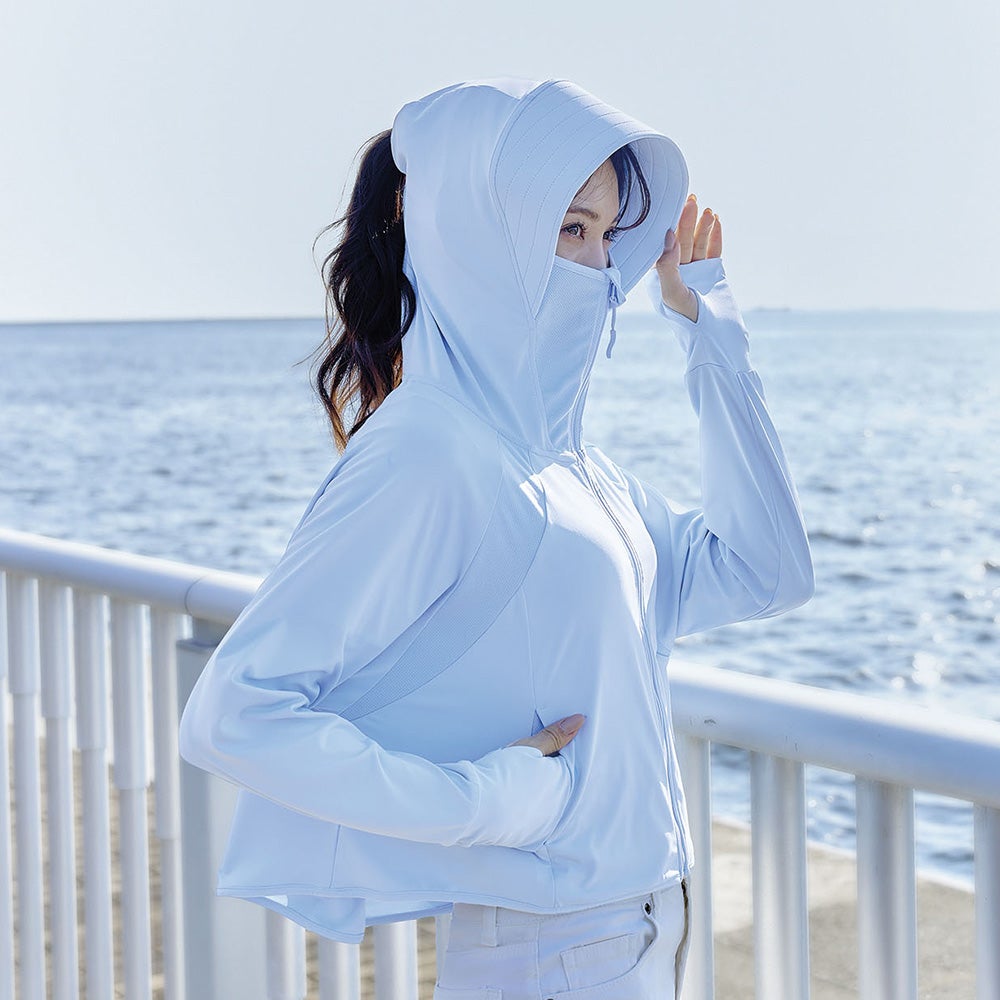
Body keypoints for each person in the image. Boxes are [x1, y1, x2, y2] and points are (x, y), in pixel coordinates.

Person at [178, 76, 814, 999]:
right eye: (569, 228)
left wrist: (707, 328)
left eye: (607, 235)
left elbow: (768, 572)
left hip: (644, 936)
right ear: (481, 236)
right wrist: (486, 804)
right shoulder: (430, 451)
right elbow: (235, 715)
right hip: (551, 955)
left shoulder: (579, 474)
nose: (599, 266)